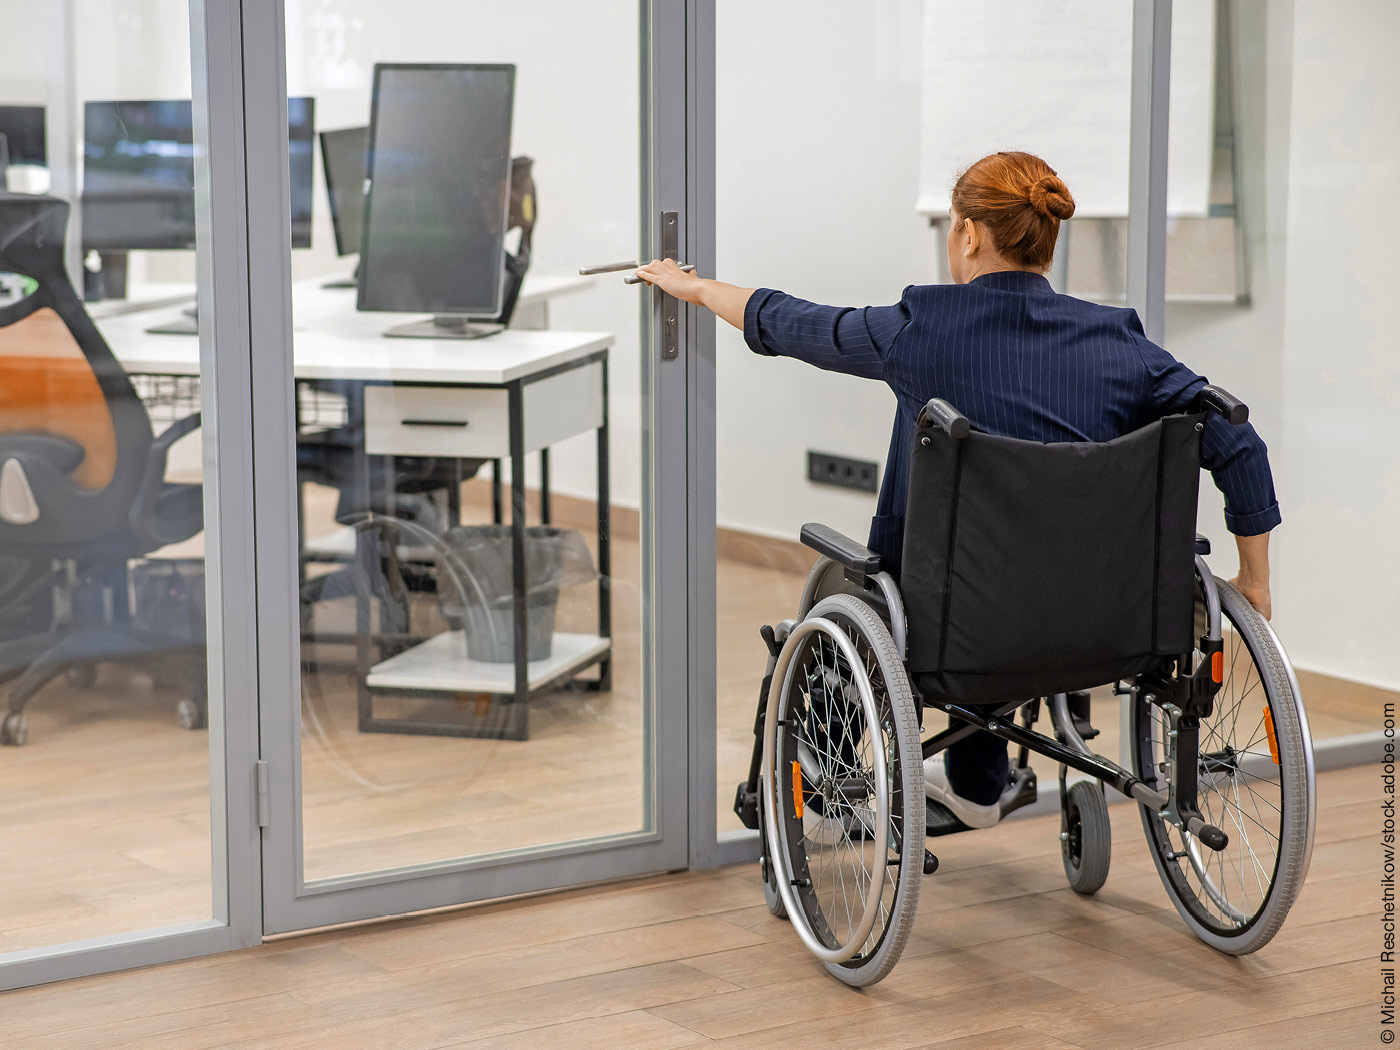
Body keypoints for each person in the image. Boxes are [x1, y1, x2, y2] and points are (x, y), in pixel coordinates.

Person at [634, 150, 1280, 830]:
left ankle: (833, 790)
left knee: (858, 590)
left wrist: (698, 289)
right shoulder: (1120, 343)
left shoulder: (921, 331)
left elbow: (796, 322)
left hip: (959, 629)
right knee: (1006, 574)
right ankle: (976, 782)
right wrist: (1256, 585)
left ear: (969, 233)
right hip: (1110, 626)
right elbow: (1237, 440)